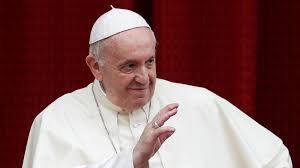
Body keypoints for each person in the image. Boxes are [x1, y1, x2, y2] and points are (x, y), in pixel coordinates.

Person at [22, 7, 292, 168]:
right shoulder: (55, 122)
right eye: (129, 66)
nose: (144, 77)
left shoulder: (200, 103)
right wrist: (132, 161)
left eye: (150, 62)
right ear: (95, 67)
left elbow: (274, 158)